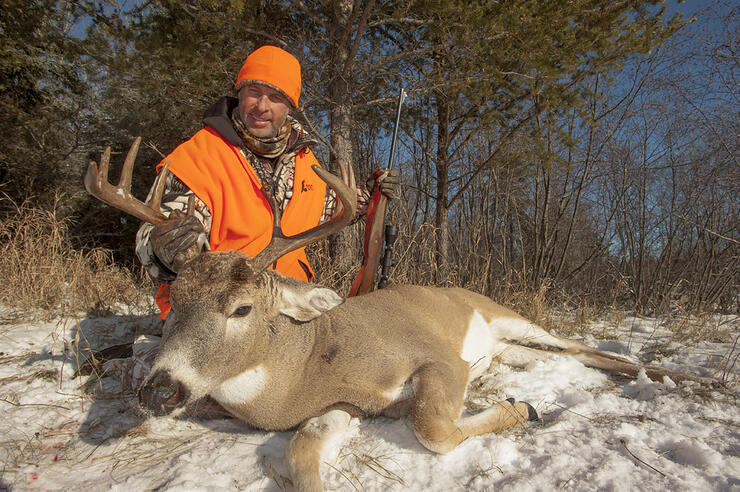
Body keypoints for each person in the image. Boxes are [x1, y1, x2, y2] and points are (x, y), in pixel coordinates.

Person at [135, 45, 398, 319]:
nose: (262, 107)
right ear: (239, 94)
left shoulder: (305, 162)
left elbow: (328, 209)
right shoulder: (197, 157)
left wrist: (369, 198)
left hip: (285, 311)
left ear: (290, 106)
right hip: (211, 314)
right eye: (253, 92)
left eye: (275, 97)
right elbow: (151, 237)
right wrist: (164, 245)